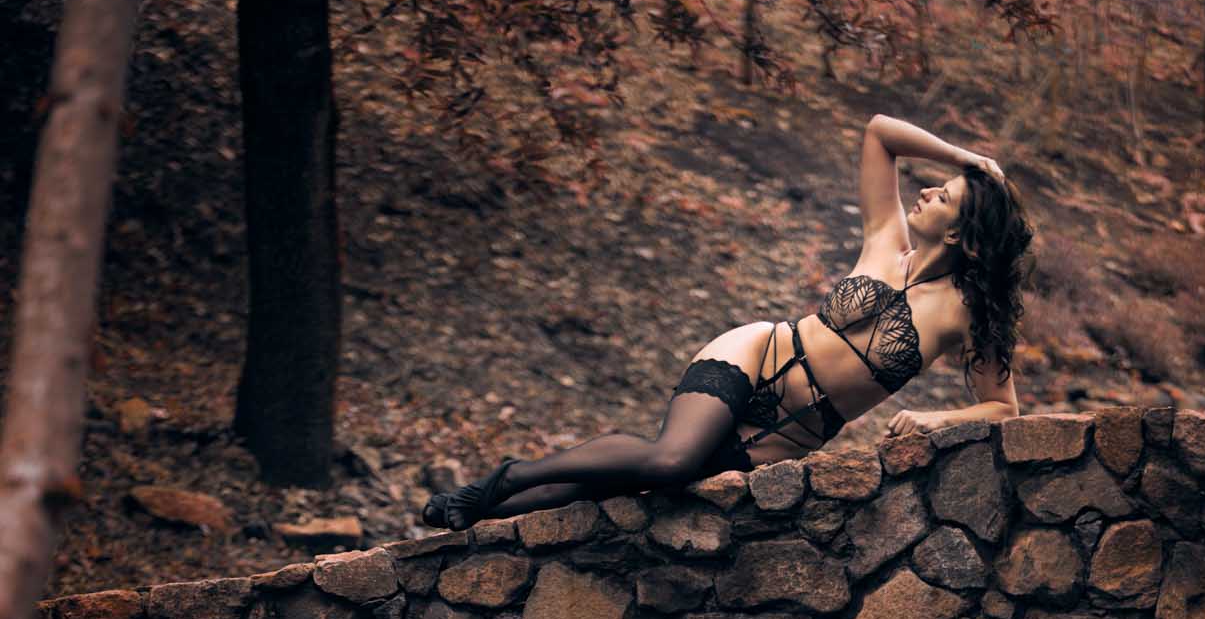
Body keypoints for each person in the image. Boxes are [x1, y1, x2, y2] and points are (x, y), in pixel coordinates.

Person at [421, 115, 1033, 531]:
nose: (925, 192)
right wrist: (965, 159)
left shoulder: (965, 314)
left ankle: (475, 517)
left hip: (794, 432)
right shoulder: (884, 239)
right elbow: (879, 134)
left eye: (944, 195)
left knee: (621, 486)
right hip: (757, 354)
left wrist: (934, 417)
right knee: (669, 462)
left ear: (961, 237)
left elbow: (1003, 409)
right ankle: (505, 478)